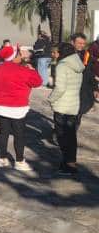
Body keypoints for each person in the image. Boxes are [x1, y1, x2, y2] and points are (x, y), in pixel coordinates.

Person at [0, 45, 43, 172]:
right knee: (19, 134)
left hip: (0, 105)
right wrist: (32, 70)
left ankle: (2, 158)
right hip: (17, 107)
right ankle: (19, 161)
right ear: (14, 57)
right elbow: (38, 82)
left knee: (3, 132)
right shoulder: (22, 70)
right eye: (19, 54)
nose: (21, 56)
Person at [49, 43, 85, 176]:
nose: (53, 54)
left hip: (62, 106)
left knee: (62, 137)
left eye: (55, 52)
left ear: (62, 52)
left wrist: (51, 99)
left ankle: (67, 165)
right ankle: (71, 163)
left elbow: (60, 88)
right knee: (71, 136)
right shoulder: (78, 64)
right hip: (73, 105)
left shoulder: (62, 65)